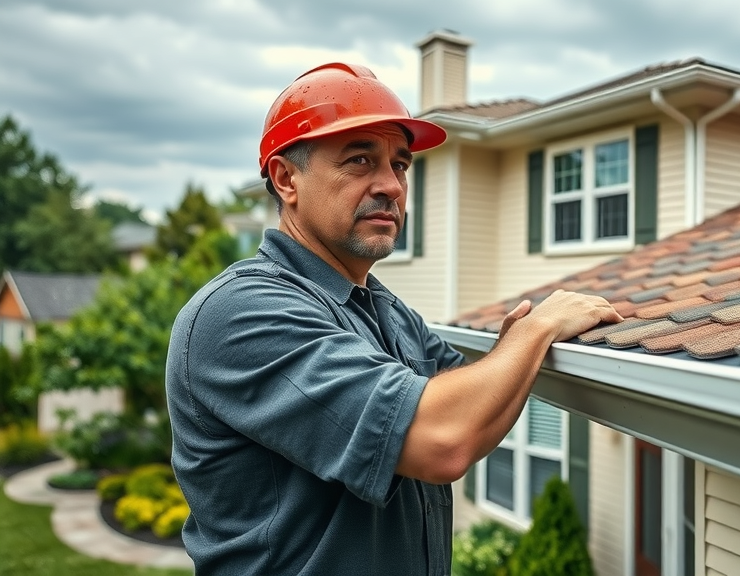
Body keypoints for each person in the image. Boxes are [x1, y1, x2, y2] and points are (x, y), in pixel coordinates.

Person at [166, 62, 622, 575]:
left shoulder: (389, 312)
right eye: (360, 160)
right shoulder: (240, 312)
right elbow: (443, 440)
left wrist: (515, 351)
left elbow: (475, 403)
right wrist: (537, 330)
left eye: (400, 165)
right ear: (286, 178)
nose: (392, 186)